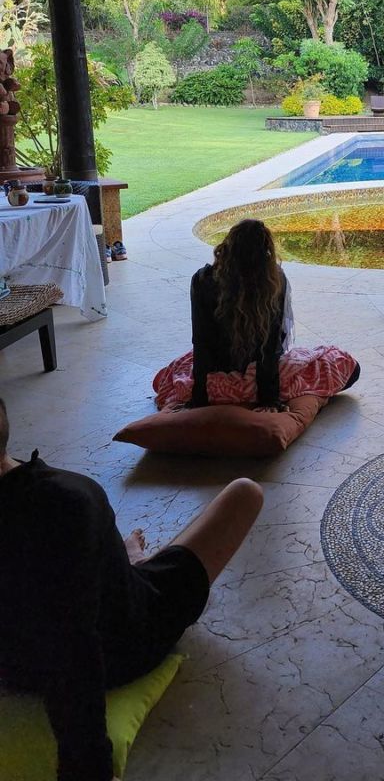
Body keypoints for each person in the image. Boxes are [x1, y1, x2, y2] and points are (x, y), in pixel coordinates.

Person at [0, 395, 263, 781]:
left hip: (14, 665)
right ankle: (131, 562)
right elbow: (73, 656)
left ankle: (122, 559)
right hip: (126, 644)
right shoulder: (66, 501)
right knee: (245, 492)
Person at [154, 218, 360, 409]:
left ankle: (232, 393)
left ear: (227, 247)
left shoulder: (202, 280)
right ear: (266, 253)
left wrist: (199, 396)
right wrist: (269, 399)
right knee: (349, 367)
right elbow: (271, 346)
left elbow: (201, 341)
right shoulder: (274, 280)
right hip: (259, 378)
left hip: (217, 377)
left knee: (173, 371)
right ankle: (253, 393)